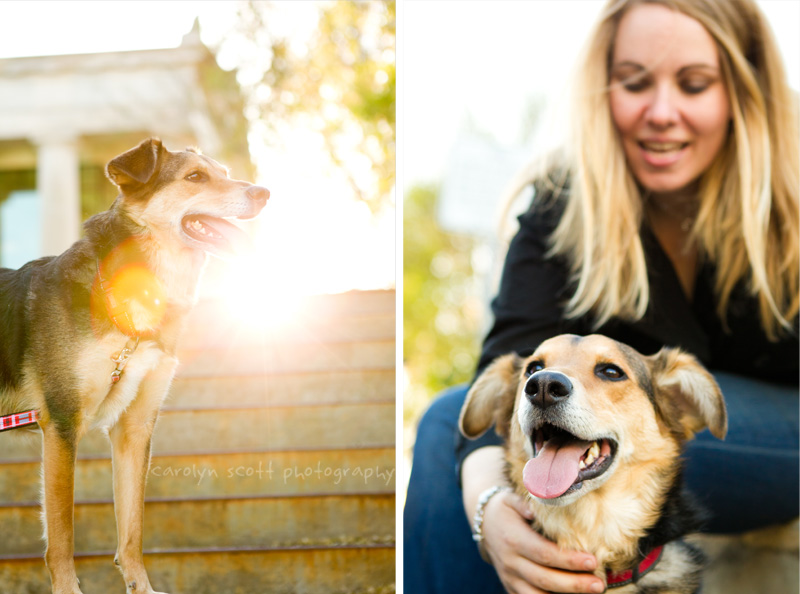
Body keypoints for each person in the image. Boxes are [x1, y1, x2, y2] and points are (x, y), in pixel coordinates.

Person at [404, 1, 799, 593]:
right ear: (604, 88)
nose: (661, 113)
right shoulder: (561, 204)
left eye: (693, 84)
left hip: (778, 437)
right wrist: (489, 511)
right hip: (634, 429)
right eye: (635, 82)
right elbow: (507, 360)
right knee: (445, 427)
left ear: (742, 90)